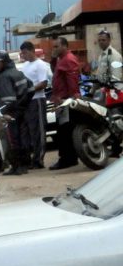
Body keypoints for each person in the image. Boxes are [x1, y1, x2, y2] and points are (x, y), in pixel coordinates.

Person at [0, 50, 34, 175]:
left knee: (13, 139)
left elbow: (8, 100)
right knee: (23, 138)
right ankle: (24, 165)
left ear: (4, 62)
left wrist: (1, 112)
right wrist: (23, 104)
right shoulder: (18, 73)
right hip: (23, 111)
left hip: (11, 113)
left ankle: (17, 166)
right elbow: (31, 88)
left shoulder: (4, 76)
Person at [49, 36, 81, 170]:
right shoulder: (60, 59)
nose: (54, 49)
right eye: (53, 47)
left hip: (65, 101)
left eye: (56, 47)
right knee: (63, 130)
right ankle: (69, 158)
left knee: (65, 131)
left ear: (64, 46)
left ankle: (67, 158)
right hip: (60, 100)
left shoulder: (68, 59)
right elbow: (55, 74)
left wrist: (71, 98)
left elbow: (72, 81)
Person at [20, 41, 50, 169]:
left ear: (31, 51)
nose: (23, 55)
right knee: (28, 131)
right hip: (27, 101)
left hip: (37, 100)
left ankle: (39, 159)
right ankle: (29, 158)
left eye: (25, 52)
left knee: (39, 130)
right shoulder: (25, 66)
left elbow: (43, 83)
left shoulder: (40, 65)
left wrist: (30, 90)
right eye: (22, 53)